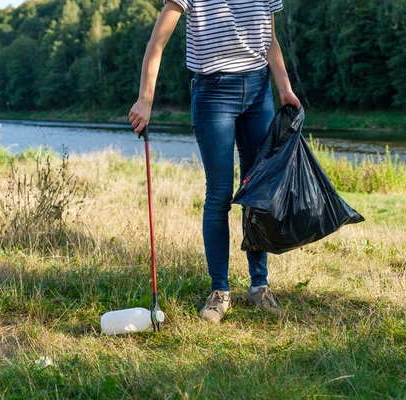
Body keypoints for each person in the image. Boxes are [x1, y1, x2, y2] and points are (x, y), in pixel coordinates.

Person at [129, 0, 301, 323]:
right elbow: (158, 41)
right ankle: (220, 291)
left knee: (258, 193)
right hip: (213, 93)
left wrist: (284, 89)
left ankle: (259, 284)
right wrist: (146, 99)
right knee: (219, 194)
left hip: (258, 91)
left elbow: (270, 40)